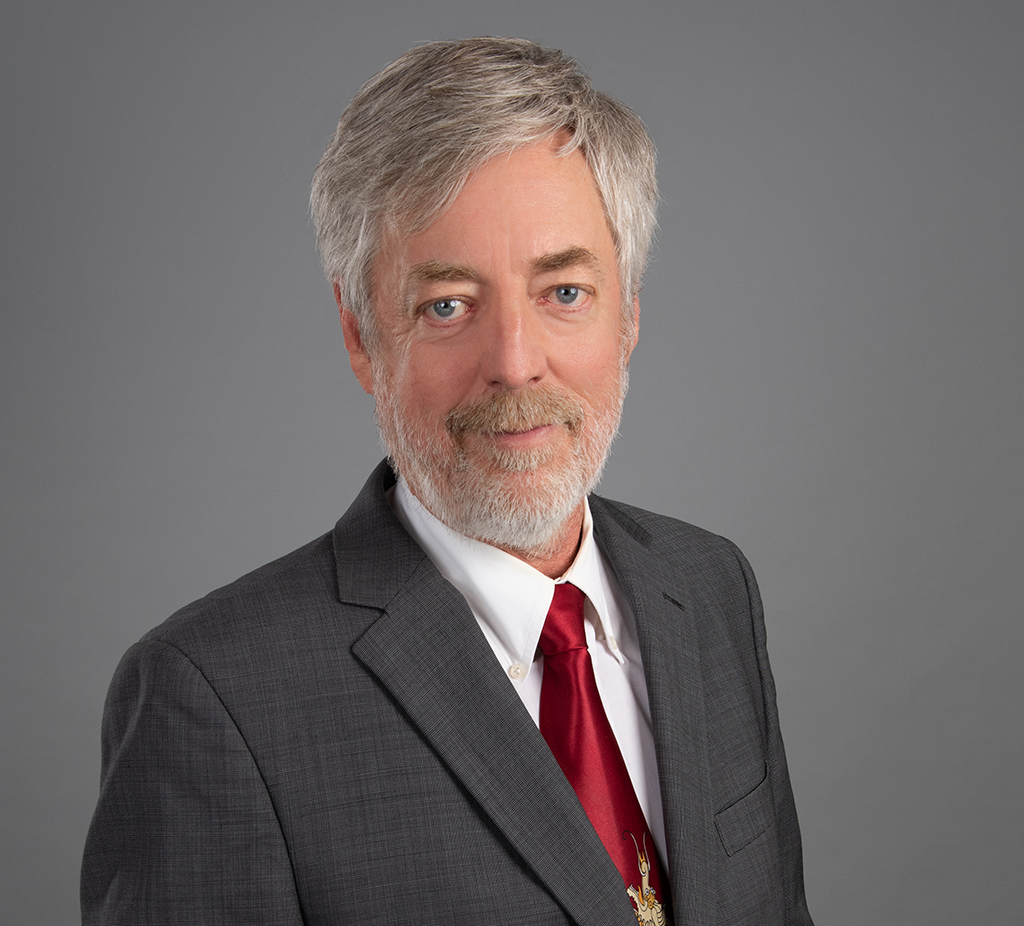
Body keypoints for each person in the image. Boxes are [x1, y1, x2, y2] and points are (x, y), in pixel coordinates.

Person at [82, 37, 813, 926]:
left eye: (565, 292)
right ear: (361, 336)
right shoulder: (214, 699)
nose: (514, 364)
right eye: (448, 305)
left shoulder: (709, 590)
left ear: (629, 313)